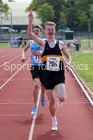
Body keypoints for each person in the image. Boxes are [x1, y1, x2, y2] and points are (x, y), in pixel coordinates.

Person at [27, 9, 71, 130]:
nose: (50, 31)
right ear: (45, 31)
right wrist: (30, 20)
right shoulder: (42, 43)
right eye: (48, 29)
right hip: (47, 77)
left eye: (52, 29)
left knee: (61, 97)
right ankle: (54, 121)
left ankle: (60, 100)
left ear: (54, 31)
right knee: (51, 101)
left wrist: (69, 63)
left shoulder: (60, 44)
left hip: (58, 75)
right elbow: (30, 34)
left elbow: (68, 56)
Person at [21, 24, 45, 115]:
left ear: (41, 32)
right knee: (36, 85)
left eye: (37, 31)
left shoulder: (43, 42)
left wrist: (39, 53)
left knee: (43, 85)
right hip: (34, 66)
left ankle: (42, 96)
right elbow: (24, 50)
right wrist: (23, 56)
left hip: (43, 66)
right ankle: (35, 106)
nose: (35, 32)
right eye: (34, 30)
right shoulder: (30, 42)